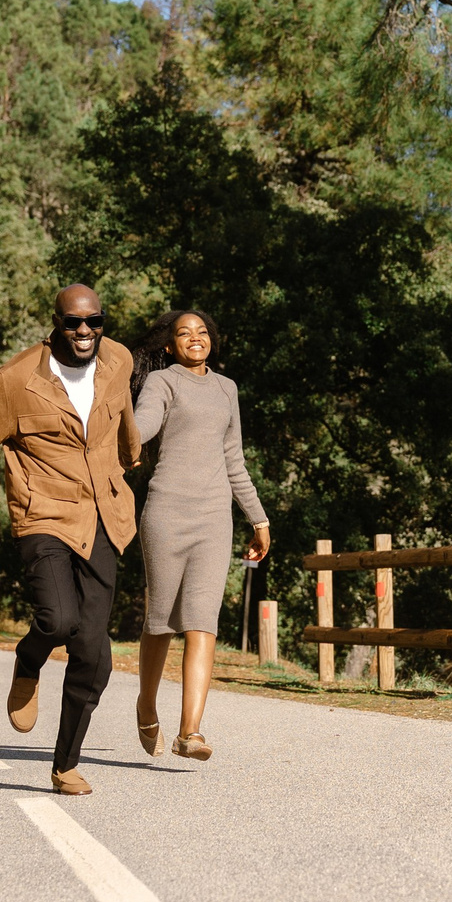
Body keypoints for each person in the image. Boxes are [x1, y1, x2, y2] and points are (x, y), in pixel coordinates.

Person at [0, 285, 139, 796]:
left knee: (94, 654)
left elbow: (121, 416)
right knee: (58, 620)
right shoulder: (16, 383)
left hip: (105, 517)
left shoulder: (117, 359)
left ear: (103, 323)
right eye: (73, 324)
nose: (84, 332)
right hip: (45, 516)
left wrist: (132, 456)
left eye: (94, 322)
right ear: (56, 324)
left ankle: (65, 764)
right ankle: (29, 659)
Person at [129, 308, 270, 761]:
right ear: (169, 345)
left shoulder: (226, 388)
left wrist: (259, 519)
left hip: (214, 518)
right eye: (184, 333)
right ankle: (146, 704)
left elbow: (234, 460)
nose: (195, 338)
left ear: (211, 339)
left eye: (202, 331)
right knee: (160, 622)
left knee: (201, 621)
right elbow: (146, 423)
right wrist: (126, 432)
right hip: (166, 513)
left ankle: (190, 731)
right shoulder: (162, 382)